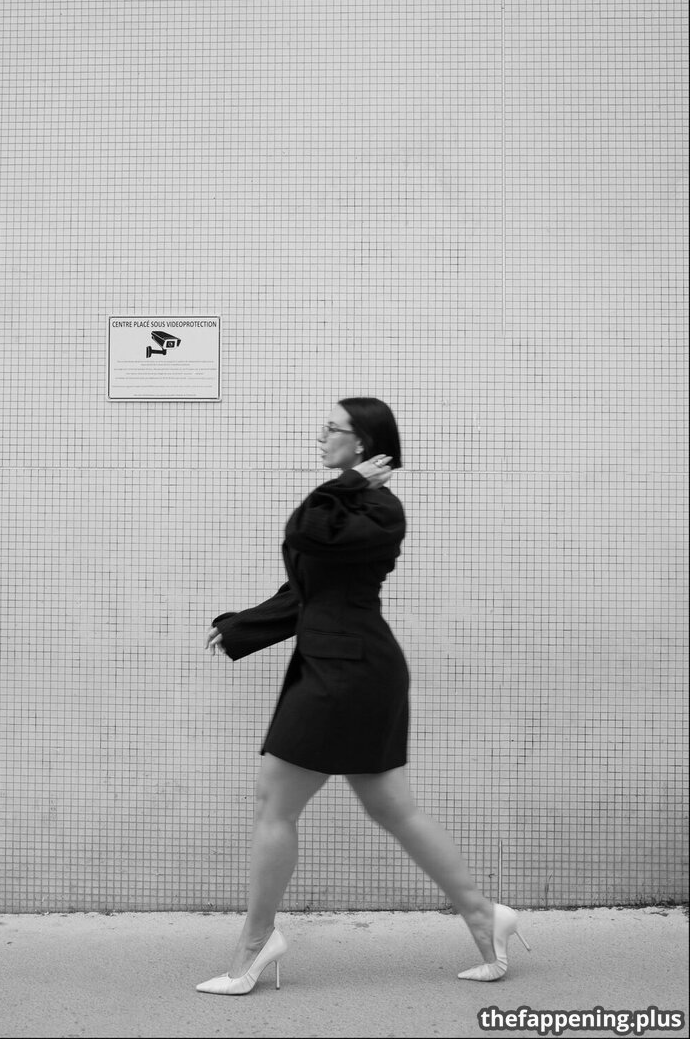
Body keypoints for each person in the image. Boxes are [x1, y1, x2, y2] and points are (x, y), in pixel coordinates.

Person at [196, 397, 530, 996]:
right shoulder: (348, 503)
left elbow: (304, 532)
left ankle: (255, 944)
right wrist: (245, 626)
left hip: (348, 675)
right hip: (339, 667)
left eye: (334, 428)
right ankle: (484, 915)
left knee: (277, 804)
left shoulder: (378, 508)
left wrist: (348, 484)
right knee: (391, 808)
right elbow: (309, 590)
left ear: (364, 443)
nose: (321, 435)